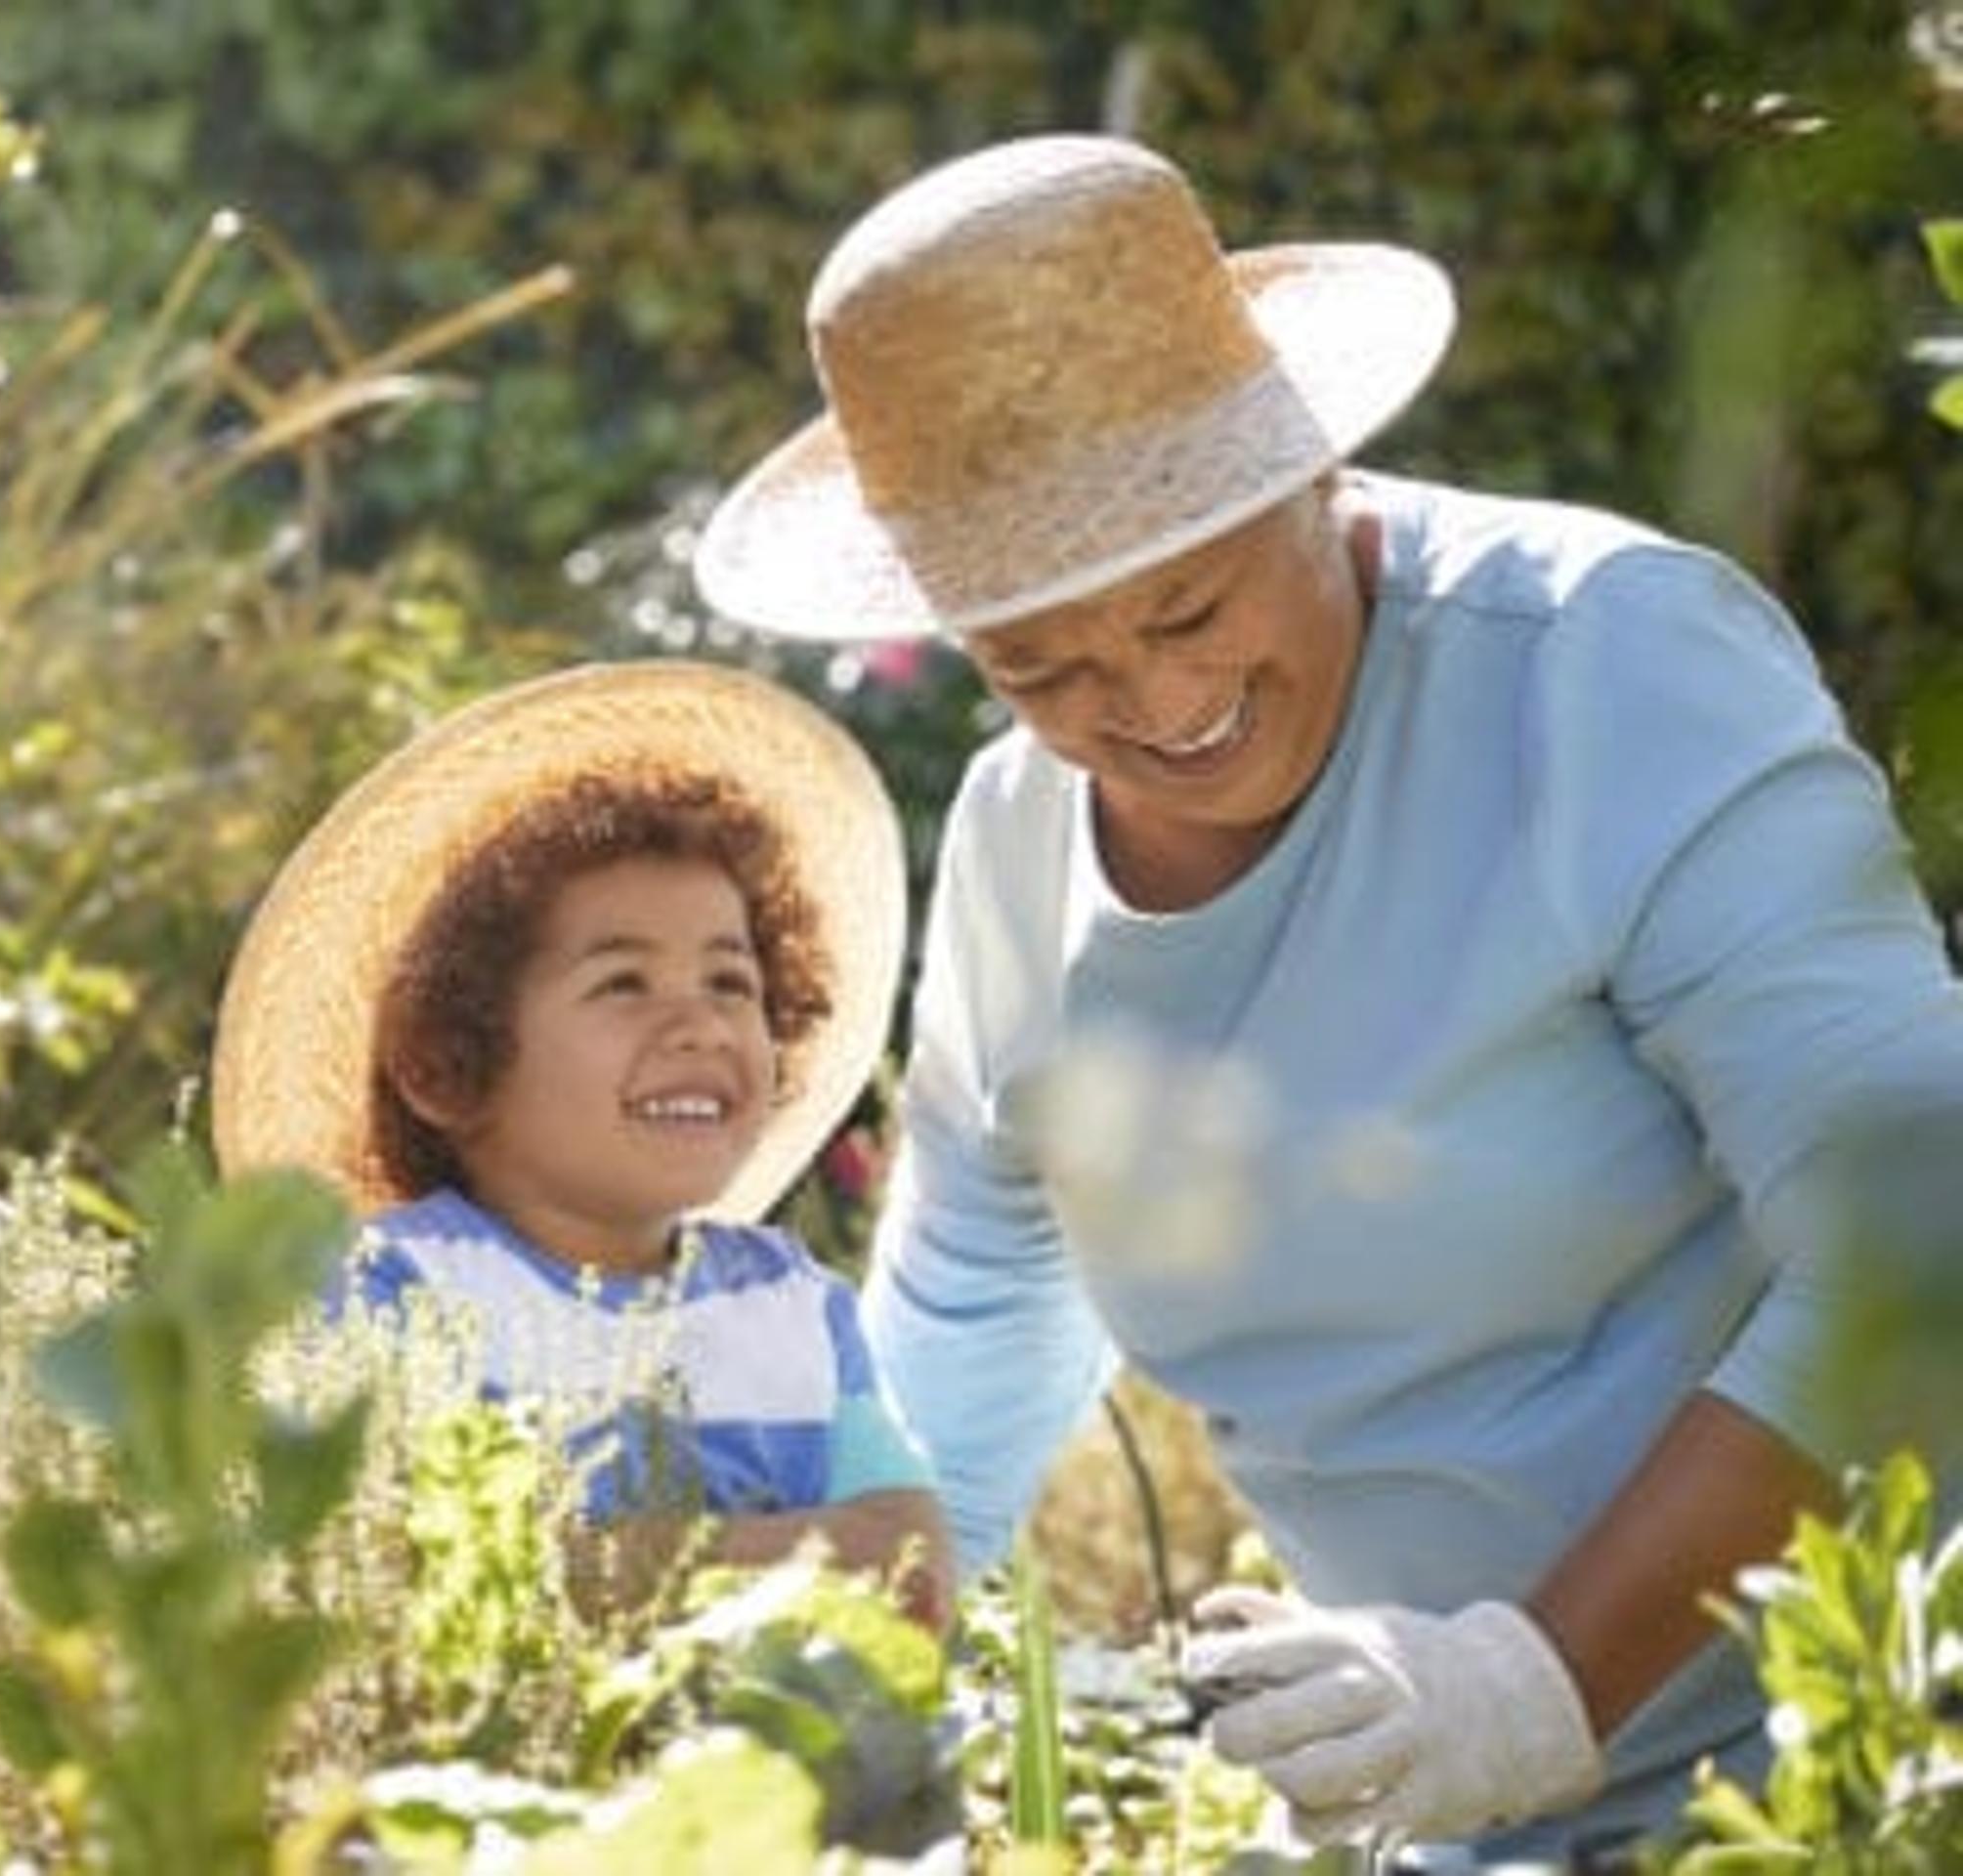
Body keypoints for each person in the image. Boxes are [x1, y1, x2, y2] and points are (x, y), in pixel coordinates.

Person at [689, 132, 1963, 1863]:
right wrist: (815, 1692)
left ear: (1305, 464)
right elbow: (979, 1300)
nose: (1153, 702)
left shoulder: (1603, 671)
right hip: (1449, 1814)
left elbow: (1918, 1231)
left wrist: (1531, 1689)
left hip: (1875, 1757)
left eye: (1191, 604)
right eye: (1040, 666)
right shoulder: (1013, 840)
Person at [208, 661, 955, 1632]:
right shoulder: (391, 1292)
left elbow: (916, 1559)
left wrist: (619, 1563)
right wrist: (797, 1553)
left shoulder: (793, 1306)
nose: (701, 1026)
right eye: (623, 985)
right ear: (449, 1062)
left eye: (732, 984)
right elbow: (394, 1577)